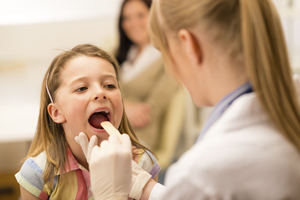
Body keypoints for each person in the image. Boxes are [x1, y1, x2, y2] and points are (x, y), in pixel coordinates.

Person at [77, 0, 300, 199]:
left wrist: (111, 196)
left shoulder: (200, 173)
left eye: (165, 52)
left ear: (188, 45)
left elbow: (199, 187)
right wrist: (145, 189)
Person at [14, 44, 160, 200]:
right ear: (57, 113)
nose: (100, 92)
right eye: (82, 88)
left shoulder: (143, 164)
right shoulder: (37, 174)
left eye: (109, 85)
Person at [115, 0, 178, 150]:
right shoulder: (120, 53)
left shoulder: (168, 57)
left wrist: (115, 108)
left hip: (138, 136)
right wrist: (125, 108)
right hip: (108, 130)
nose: (133, 23)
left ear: (153, 16)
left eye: (140, 15)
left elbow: (149, 111)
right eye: (127, 18)